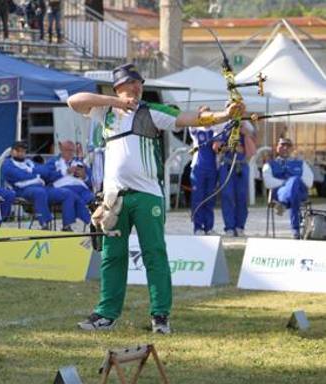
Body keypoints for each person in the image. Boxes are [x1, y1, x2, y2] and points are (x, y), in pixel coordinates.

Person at [67, 63, 244, 334]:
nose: (137, 87)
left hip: (148, 196)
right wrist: (117, 102)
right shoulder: (104, 112)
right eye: (130, 83)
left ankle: (160, 316)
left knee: (154, 255)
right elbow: (74, 101)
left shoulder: (151, 112)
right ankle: (106, 314)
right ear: (118, 87)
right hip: (115, 198)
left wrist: (225, 115)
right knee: (112, 256)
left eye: (139, 83)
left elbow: (190, 119)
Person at [262, 137, 314, 239]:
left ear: (292, 149)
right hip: (281, 193)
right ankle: (295, 230)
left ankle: (284, 205)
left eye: (288, 146)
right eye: (282, 145)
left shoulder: (301, 163)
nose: (285, 148)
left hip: (299, 193)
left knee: (295, 182)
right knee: (294, 187)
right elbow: (268, 182)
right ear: (276, 147)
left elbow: (309, 181)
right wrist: (287, 183)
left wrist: (293, 183)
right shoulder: (269, 165)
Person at [214, 120, 256, 237]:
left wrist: (246, 135)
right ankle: (229, 227)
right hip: (226, 165)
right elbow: (216, 148)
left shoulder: (247, 126)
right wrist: (228, 147)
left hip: (241, 165)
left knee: (242, 196)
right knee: (227, 195)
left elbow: (251, 152)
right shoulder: (223, 126)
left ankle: (240, 226)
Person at [188, 106, 220, 235]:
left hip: (212, 167)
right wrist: (199, 114)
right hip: (198, 168)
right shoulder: (196, 130)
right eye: (204, 113)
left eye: (209, 113)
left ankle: (209, 227)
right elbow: (191, 121)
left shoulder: (216, 131)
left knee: (210, 198)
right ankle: (198, 227)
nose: (207, 115)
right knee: (198, 198)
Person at [46, 140, 94, 207]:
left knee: (91, 197)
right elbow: (48, 177)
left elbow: (92, 182)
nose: (69, 152)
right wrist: (66, 171)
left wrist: (84, 177)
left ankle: (83, 214)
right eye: (66, 150)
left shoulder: (81, 163)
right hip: (62, 188)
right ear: (61, 149)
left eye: (71, 150)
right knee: (72, 196)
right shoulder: (53, 161)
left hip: (81, 188)